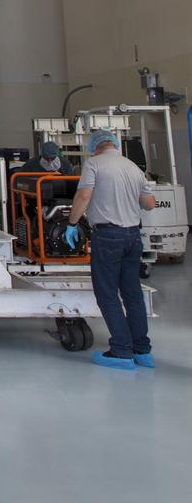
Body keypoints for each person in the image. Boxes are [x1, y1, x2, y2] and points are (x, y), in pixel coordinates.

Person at [66, 129, 156, 370]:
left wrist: (72, 224)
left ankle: (121, 351)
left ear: (96, 146)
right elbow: (149, 203)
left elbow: (84, 196)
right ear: (115, 144)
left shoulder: (94, 164)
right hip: (132, 236)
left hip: (108, 236)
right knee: (132, 293)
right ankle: (142, 350)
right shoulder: (133, 167)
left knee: (107, 294)